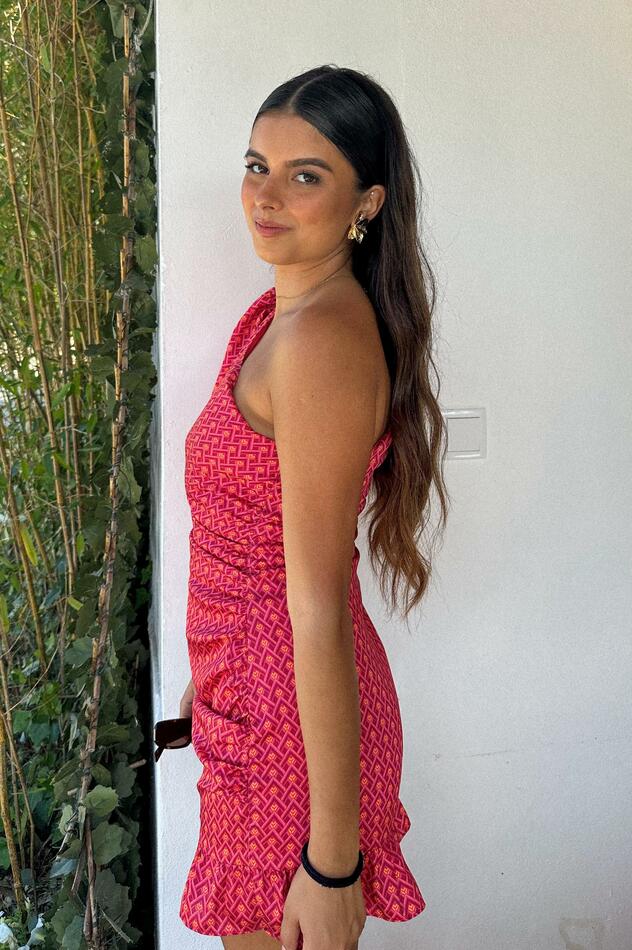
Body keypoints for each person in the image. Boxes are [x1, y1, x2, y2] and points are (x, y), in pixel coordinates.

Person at [166, 64, 450, 950]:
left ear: (367, 202)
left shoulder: (322, 341)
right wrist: (208, 675)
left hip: (287, 729)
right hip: (251, 693)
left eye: (305, 175)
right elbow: (246, 539)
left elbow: (317, 605)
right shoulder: (277, 315)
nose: (266, 196)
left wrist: (333, 864)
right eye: (258, 166)